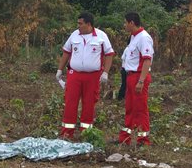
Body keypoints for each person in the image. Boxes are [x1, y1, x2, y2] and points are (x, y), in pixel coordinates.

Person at [56, 12, 114, 139]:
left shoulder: (101, 36)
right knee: (70, 102)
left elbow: (109, 54)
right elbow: (66, 53)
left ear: (88, 24)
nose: (78, 26)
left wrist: (105, 73)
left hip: (92, 76)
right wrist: (60, 70)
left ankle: (86, 133)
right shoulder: (74, 35)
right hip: (74, 75)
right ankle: (67, 132)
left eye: (80, 23)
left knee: (89, 103)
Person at [117, 12, 153, 146]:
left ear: (131, 23)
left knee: (140, 109)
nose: (124, 25)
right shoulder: (133, 37)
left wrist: (141, 81)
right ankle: (125, 137)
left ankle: (143, 140)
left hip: (139, 76)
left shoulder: (144, 37)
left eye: (125, 22)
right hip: (130, 76)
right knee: (130, 108)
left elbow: (147, 60)